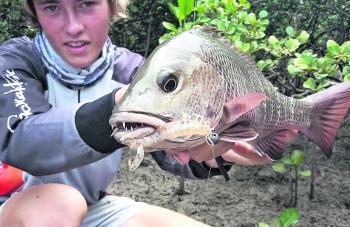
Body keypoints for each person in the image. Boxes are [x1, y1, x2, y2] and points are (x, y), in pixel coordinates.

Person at [0, 0, 272, 226]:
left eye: (87, 4)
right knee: (59, 205)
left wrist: (213, 151)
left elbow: (172, 151)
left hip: (94, 205)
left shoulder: (132, 70)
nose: (73, 26)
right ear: (35, 12)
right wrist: (121, 105)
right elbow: (21, 138)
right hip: (15, 207)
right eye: (51, 7)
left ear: (111, 7)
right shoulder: (16, 60)